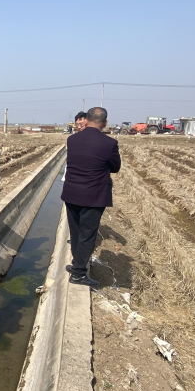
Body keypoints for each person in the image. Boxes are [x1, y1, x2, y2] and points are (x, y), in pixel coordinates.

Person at [61, 107, 121, 287]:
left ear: (86, 120)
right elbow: (115, 167)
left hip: (72, 192)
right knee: (87, 235)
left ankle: (76, 264)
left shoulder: (72, 139)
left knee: (76, 232)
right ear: (105, 123)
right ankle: (79, 274)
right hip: (93, 196)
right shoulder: (109, 143)